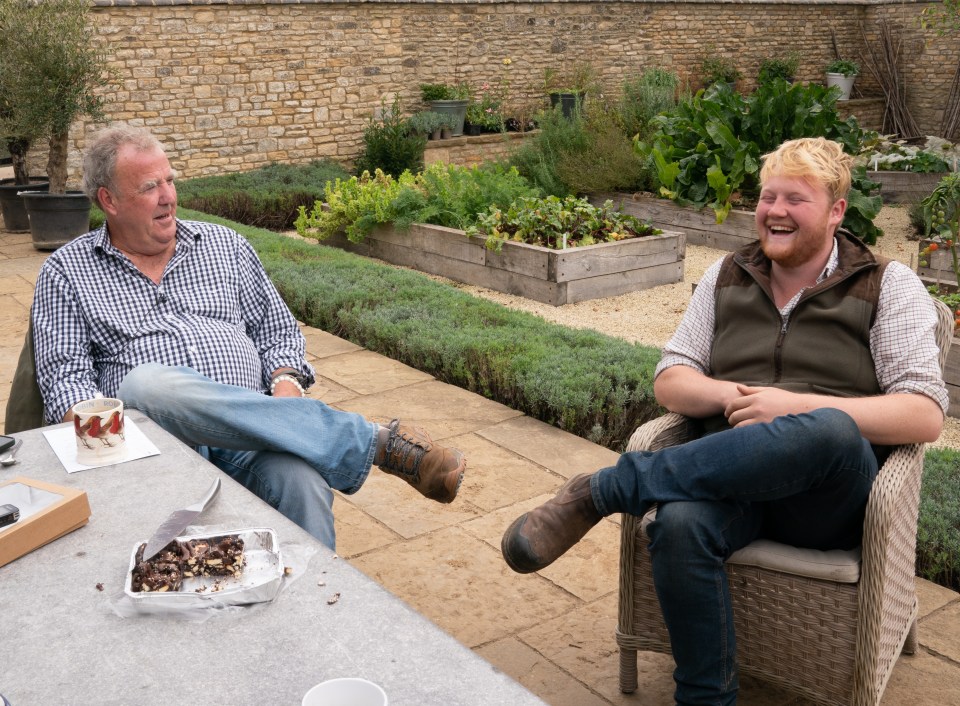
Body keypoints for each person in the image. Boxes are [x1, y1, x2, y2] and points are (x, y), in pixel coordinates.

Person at [501, 137, 947, 705]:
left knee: (831, 429)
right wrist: (737, 397)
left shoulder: (886, 283)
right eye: (768, 197)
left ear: (837, 211)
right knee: (680, 522)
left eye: (796, 199)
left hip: (826, 498)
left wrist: (793, 407)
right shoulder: (727, 275)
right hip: (728, 477)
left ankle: (605, 489)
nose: (775, 212)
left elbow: (924, 414)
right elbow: (671, 378)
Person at [32, 124, 466, 551]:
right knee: (145, 384)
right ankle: (375, 444)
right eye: (150, 187)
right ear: (109, 199)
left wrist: (284, 392)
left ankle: (312, 615)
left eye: (170, 181)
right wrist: (121, 455)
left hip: (251, 436)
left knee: (304, 485)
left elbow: (278, 333)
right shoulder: (67, 273)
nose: (168, 196)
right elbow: (65, 386)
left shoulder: (226, 246)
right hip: (153, 446)